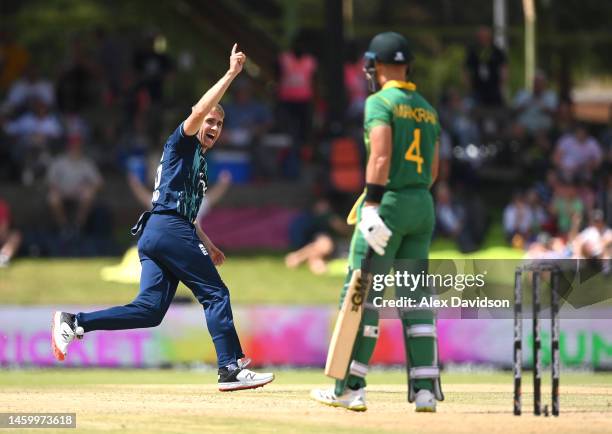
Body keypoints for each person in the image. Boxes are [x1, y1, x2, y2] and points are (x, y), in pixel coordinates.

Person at [51, 44, 274, 391]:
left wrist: (208, 242)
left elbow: (187, 212)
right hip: (167, 228)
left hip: (161, 231)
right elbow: (200, 109)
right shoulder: (181, 142)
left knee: (149, 310)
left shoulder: (198, 160)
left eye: (218, 123)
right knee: (215, 293)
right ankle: (230, 367)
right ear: (197, 120)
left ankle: (75, 322)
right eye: (209, 120)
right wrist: (231, 74)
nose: (212, 126)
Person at [311, 32, 443, 412]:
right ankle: (424, 391)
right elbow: (432, 169)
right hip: (422, 205)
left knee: (360, 293)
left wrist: (372, 205)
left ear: (379, 66)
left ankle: (350, 387)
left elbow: (381, 157)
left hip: (388, 204)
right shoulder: (427, 109)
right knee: (415, 298)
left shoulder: (379, 102)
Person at [46, 135, 103, 233]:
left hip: (79, 194)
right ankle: (63, 226)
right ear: (68, 147)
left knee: (88, 194)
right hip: (62, 192)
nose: (75, 148)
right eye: (73, 146)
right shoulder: (59, 161)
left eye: (78, 146)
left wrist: (90, 188)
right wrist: (56, 189)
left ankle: (78, 226)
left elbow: (99, 182)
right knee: (52, 198)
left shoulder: (86, 162)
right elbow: (50, 181)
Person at [464, 26, 507, 107]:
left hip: (494, 87)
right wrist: (468, 85)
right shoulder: (473, 51)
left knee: (496, 107)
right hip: (477, 87)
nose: (482, 39)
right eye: (480, 37)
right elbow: (466, 68)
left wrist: (502, 84)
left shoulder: (497, 51)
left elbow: (503, 68)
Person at [0, 198, 22, 267]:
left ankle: (3, 258)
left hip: (2, 237)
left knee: (15, 236)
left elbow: (4, 227)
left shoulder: (2, 205)